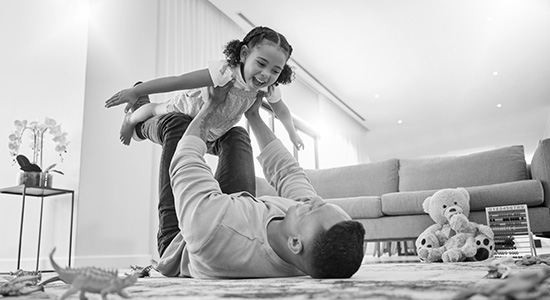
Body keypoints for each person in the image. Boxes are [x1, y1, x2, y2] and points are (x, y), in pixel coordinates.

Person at [150, 81, 366, 279]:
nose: (312, 201)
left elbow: (185, 161)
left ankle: (138, 124)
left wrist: (211, 105)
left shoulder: (213, 230)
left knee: (177, 125)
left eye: (312, 209)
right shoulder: (304, 241)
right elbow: (288, 173)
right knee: (237, 135)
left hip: (181, 240)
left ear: (294, 243)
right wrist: (254, 115)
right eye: (322, 203)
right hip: (231, 210)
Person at [105, 26, 304, 150]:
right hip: (187, 109)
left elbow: (282, 111)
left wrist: (292, 133)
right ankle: (131, 117)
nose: (266, 75)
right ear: (244, 54)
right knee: (156, 110)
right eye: (261, 64)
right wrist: (135, 92)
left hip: (212, 128)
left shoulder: (267, 89)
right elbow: (179, 81)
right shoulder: (225, 72)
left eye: (275, 70)